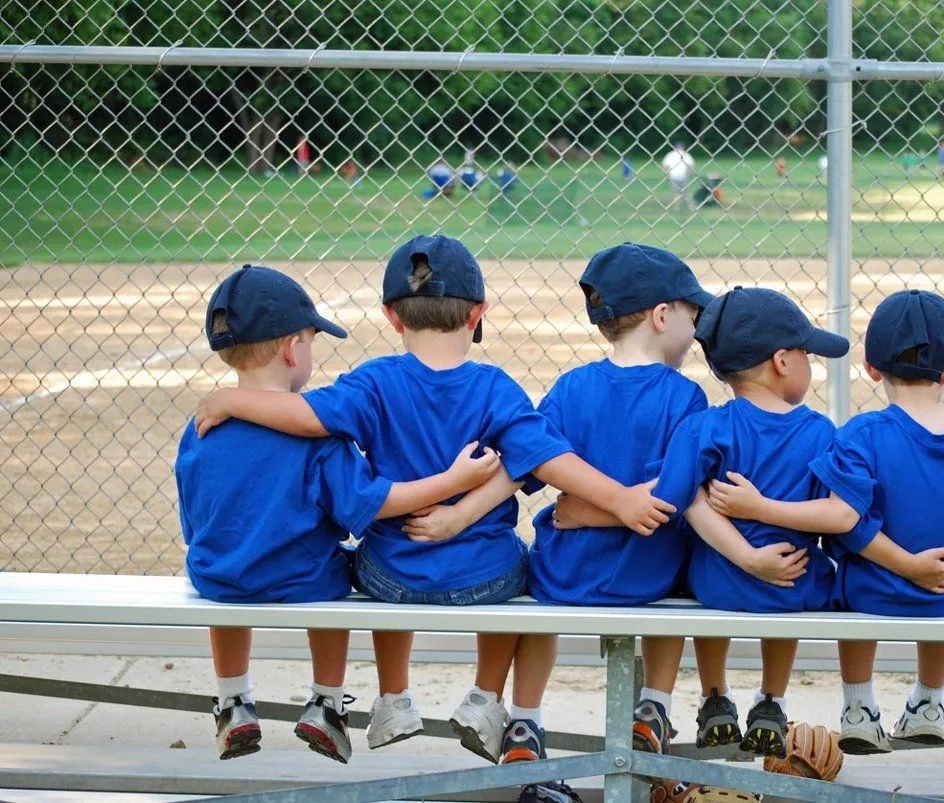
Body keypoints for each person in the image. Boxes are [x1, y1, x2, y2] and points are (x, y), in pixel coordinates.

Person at [192, 235, 676, 764]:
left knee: (374, 549)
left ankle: (394, 697)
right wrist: (620, 498)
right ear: (477, 314)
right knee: (522, 559)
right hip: (484, 580)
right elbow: (544, 457)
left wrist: (234, 397)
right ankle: (485, 699)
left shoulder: (373, 381)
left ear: (392, 317)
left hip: (390, 580)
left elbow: (307, 417)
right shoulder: (495, 387)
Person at [176, 265, 502, 763]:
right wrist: (453, 484)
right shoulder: (320, 439)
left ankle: (233, 701)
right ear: (291, 349)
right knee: (339, 567)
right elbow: (370, 505)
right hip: (302, 580)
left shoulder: (199, 427)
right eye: (310, 341)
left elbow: (196, 522)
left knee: (225, 569)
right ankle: (326, 702)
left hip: (219, 577)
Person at [651, 288, 944, 757]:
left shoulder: (705, 426)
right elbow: (840, 518)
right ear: (781, 361)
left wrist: (744, 555)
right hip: (793, 586)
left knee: (697, 569)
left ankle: (715, 697)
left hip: (717, 583)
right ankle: (772, 700)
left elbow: (679, 497)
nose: (810, 364)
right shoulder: (821, 432)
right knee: (800, 576)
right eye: (806, 354)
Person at [441, 243, 720, 767]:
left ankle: (525, 717)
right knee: (686, 570)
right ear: (662, 316)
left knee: (533, 586)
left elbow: (524, 465)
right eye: (693, 315)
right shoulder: (685, 397)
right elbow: (670, 496)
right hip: (651, 576)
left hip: (566, 575)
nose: (697, 330)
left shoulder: (571, 388)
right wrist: (622, 508)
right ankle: (654, 707)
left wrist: (463, 513)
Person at [811, 289, 944, 755]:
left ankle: (858, 709)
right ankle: (929, 703)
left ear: (871, 369)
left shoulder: (862, 434)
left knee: (847, 582)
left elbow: (847, 524)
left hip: (874, 594)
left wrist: (907, 565)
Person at [662, 142, 695, 210]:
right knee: (686, 192)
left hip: (675, 176)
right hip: (682, 176)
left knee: (676, 192)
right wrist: (689, 173)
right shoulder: (685, 155)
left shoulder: (671, 155)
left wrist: (666, 174)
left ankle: (678, 207)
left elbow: (665, 166)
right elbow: (690, 166)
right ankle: (688, 206)